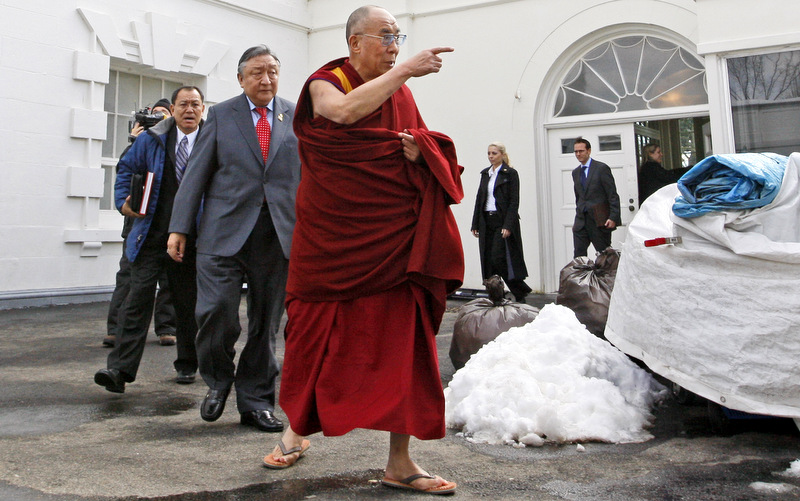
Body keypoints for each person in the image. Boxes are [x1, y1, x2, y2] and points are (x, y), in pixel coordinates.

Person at [261, 6, 462, 496]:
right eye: (385, 36)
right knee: (315, 338)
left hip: (390, 245)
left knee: (403, 349)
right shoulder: (324, 81)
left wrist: (420, 150)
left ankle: (401, 462)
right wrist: (405, 70)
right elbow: (341, 113)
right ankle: (295, 432)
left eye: (398, 36)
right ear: (354, 42)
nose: (395, 44)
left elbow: (423, 148)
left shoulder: (402, 93)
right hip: (331, 240)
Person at [167, 45, 301, 433]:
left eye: (273, 71)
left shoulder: (294, 116)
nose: (266, 79)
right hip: (222, 232)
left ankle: (256, 400)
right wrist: (180, 227)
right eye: (257, 73)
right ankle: (219, 378)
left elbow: (309, 176)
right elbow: (196, 174)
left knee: (265, 323)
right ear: (241, 79)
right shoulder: (222, 115)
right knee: (215, 314)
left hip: (276, 235)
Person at [94, 87, 205, 393]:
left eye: (195, 104)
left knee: (187, 304)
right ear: (173, 108)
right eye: (183, 104)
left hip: (193, 238)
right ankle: (119, 370)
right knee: (137, 300)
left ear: (203, 108)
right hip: (151, 235)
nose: (189, 110)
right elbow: (126, 169)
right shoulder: (150, 139)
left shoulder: (213, 141)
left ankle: (187, 364)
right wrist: (123, 201)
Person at [104, 98, 177, 349]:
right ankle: (115, 329)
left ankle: (167, 327)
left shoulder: (177, 140)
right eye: (154, 115)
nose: (158, 120)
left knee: (169, 279)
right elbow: (125, 170)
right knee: (128, 277)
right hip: (137, 224)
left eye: (163, 115)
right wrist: (134, 140)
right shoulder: (142, 141)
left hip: (168, 223)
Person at [470, 142, 532, 303]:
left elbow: (514, 201)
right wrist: (475, 223)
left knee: (499, 258)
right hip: (486, 219)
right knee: (488, 259)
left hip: (502, 220)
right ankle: (496, 293)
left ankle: (519, 290)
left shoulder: (510, 174)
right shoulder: (485, 174)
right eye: (489, 153)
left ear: (502, 155)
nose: (491, 156)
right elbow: (479, 199)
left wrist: (508, 225)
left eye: (494, 153)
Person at [571, 137, 621, 258]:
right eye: (576, 151)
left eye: (581, 151)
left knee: (604, 255)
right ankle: (581, 276)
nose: (578, 154)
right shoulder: (576, 172)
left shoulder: (601, 168)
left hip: (599, 220)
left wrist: (613, 217)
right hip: (581, 220)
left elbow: (612, 194)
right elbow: (579, 196)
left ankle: (607, 276)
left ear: (589, 151)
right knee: (579, 256)